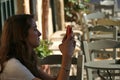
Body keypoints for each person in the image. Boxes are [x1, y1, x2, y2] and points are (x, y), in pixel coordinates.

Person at [0, 14, 76, 80]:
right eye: (34, 29)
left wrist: (66, 52)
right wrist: (67, 56)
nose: (39, 33)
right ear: (22, 35)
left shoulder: (25, 59)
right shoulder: (13, 66)